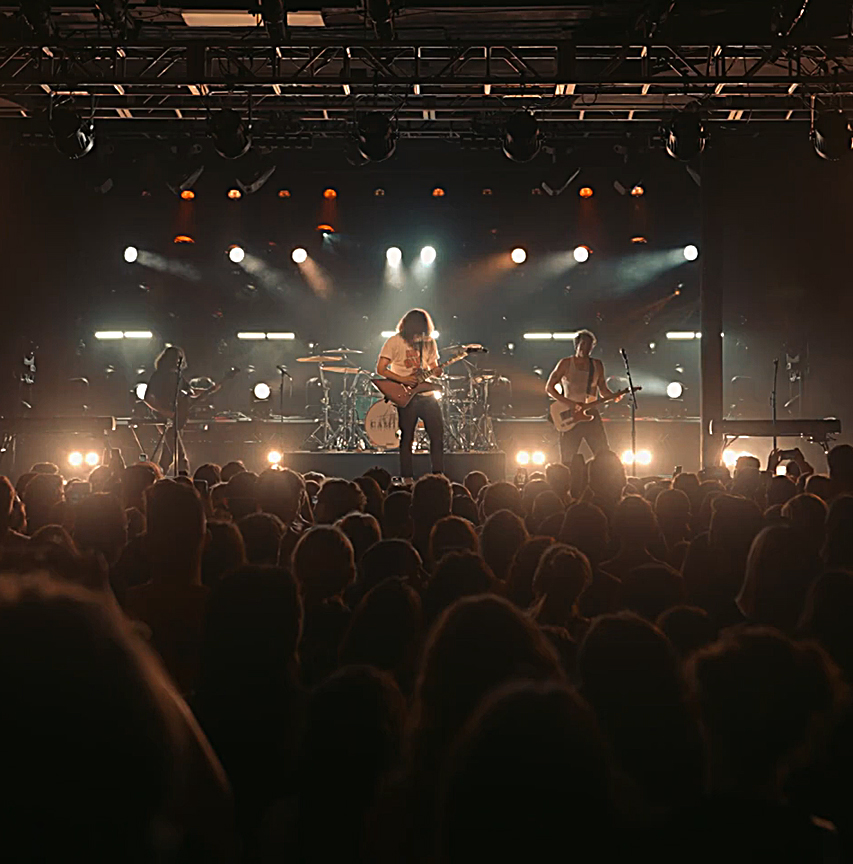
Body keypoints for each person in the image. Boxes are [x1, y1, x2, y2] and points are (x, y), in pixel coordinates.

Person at [376, 309, 444, 479]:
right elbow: (381, 369)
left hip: (427, 396)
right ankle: (407, 477)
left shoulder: (429, 343)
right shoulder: (394, 341)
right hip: (407, 396)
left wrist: (437, 371)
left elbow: (434, 366)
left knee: (437, 435)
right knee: (407, 438)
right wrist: (403, 379)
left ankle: (438, 474)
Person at [546, 329, 621, 463]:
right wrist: (570, 404)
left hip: (591, 412)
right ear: (577, 345)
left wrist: (614, 395)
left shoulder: (597, 365)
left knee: (603, 453)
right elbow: (549, 388)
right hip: (570, 414)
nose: (586, 348)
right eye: (583, 344)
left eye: (590, 345)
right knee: (568, 456)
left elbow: (602, 388)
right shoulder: (566, 363)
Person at [144, 345, 196, 475]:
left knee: (169, 451)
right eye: (176, 358)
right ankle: (183, 474)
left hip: (177, 417)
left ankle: (157, 473)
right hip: (162, 418)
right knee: (177, 450)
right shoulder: (159, 376)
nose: (178, 361)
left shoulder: (179, 377)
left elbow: (190, 393)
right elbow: (148, 397)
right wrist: (162, 411)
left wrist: (211, 390)